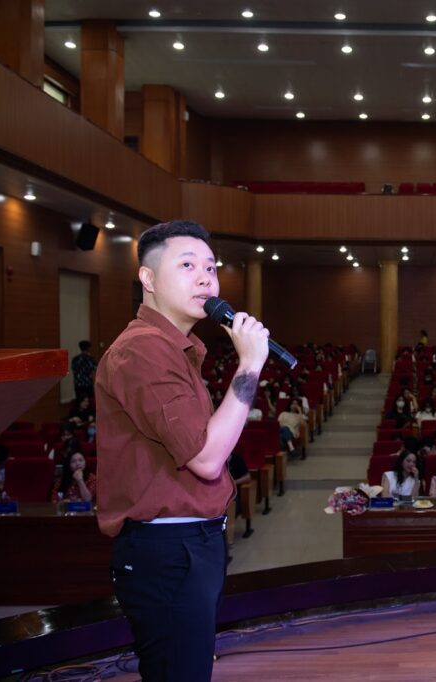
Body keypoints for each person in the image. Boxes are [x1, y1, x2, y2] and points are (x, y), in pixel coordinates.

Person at [95, 220, 270, 680]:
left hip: (191, 543)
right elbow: (207, 459)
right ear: (148, 279)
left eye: (211, 268)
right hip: (167, 550)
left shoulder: (177, 350)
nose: (205, 279)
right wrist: (250, 365)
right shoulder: (143, 351)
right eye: (188, 266)